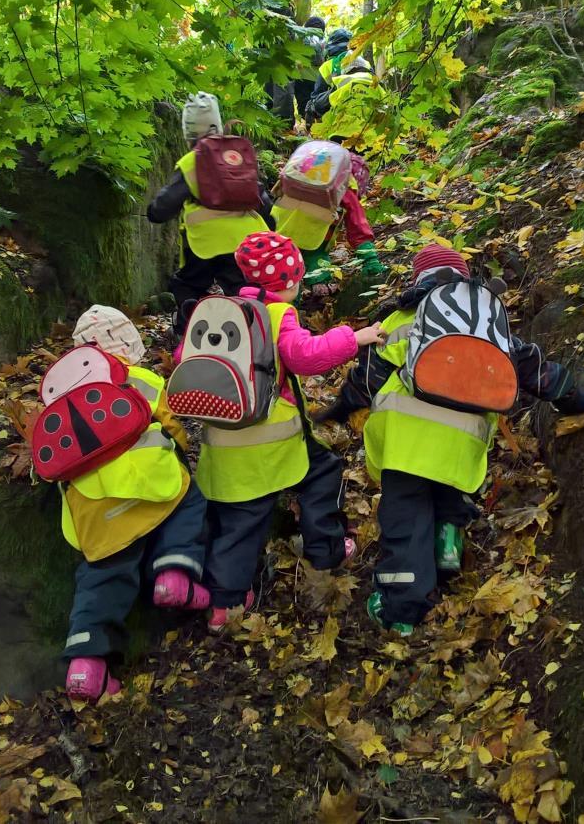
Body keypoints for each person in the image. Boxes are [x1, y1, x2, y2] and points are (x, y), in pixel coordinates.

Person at [314, 243, 584, 637]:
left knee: (406, 520)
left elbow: (367, 380)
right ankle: (448, 550)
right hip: (463, 443)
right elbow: (535, 370)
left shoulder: (400, 319)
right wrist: (581, 397)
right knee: (449, 499)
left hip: (405, 441)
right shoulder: (485, 324)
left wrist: (339, 411)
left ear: (417, 281)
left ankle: (402, 609)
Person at [196, 231, 385, 633]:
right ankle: (327, 549)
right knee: (323, 473)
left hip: (222, 440)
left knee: (238, 522)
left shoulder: (221, 310)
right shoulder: (278, 314)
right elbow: (305, 356)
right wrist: (356, 337)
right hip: (271, 441)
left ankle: (224, 605)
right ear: (290, 280)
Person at [52, 306, 210, 700]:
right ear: (128, 347)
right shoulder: (141, 378)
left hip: (94, 506)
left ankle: (86, 665)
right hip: (151, 485)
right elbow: (172, 425)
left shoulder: (61, 394)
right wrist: (182, 452)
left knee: (102, 573)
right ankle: (175, 574)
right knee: (187, 508)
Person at [147, 93, 274, 334]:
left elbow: (167, 202)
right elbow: (262, 200)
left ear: (188, 133)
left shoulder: (191, 160)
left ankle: (191, 326)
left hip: (204, 242)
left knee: (187, 284)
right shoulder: (237, 156)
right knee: (241, 286)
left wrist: (154, 213)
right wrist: (271, 228)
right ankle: (252, 329)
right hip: (244, 241)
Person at [272, 144, 385, 285]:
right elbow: (357, 225)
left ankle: (284, 300)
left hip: (279, 226)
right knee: (316, 263)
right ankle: (317, 293)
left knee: (286, 270)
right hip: (313, 236)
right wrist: (370, 259)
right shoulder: (342, 185)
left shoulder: (306, 172)